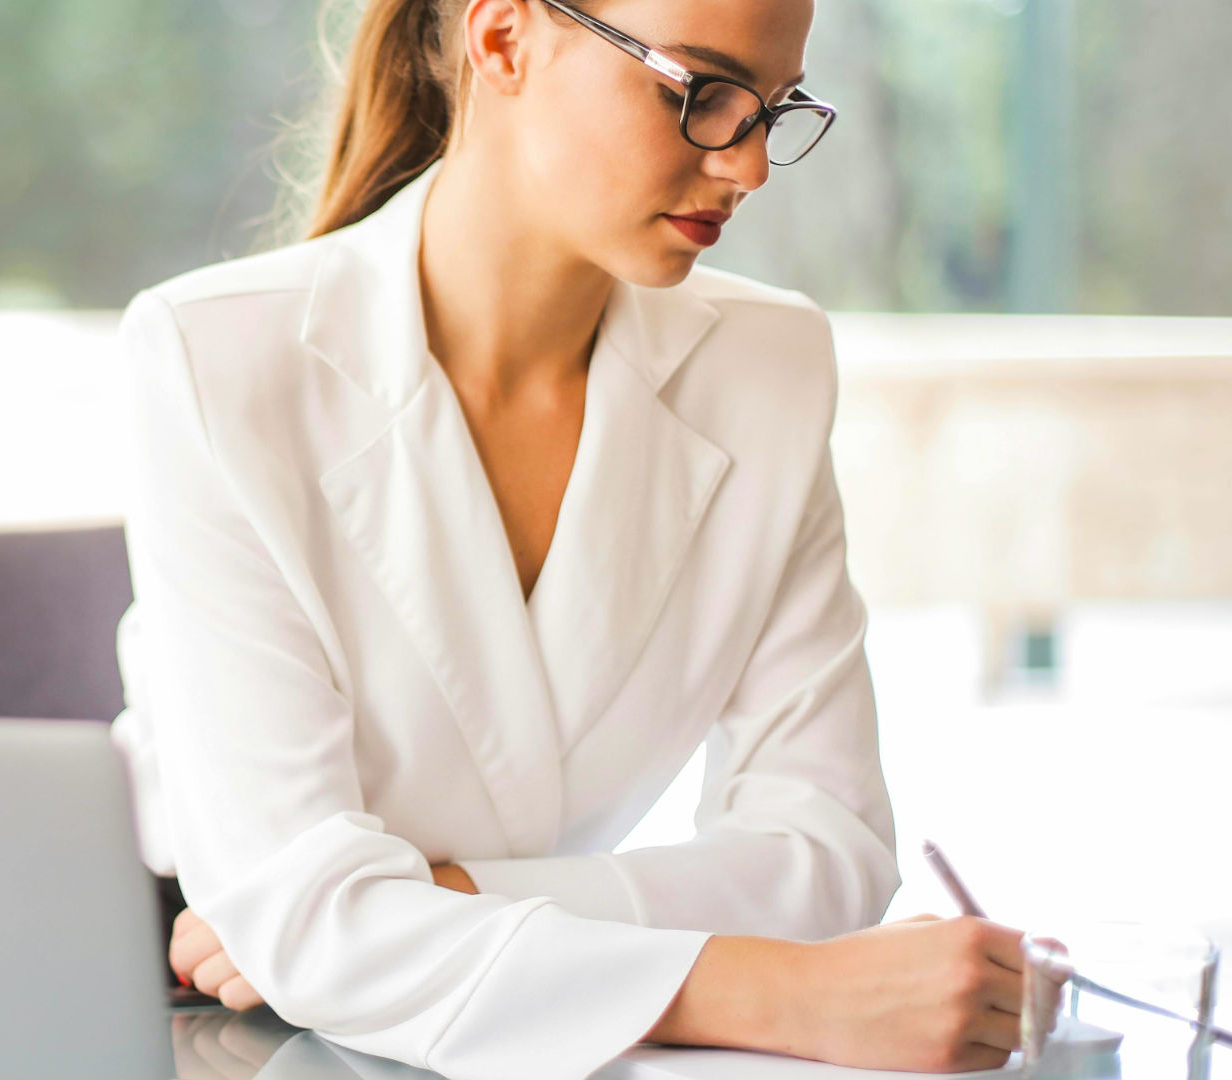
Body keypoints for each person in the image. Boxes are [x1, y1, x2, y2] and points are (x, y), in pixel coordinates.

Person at [108, 1, 1028, 1077]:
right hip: (211, 1023)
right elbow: (300, 926)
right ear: (501, 40)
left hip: (504, 1020)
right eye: (701, 95)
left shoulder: (768, 367)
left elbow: (827, 849)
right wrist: (775, 992)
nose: (752, 168)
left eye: (774, 112)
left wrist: (435, 906)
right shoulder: (211, 359)